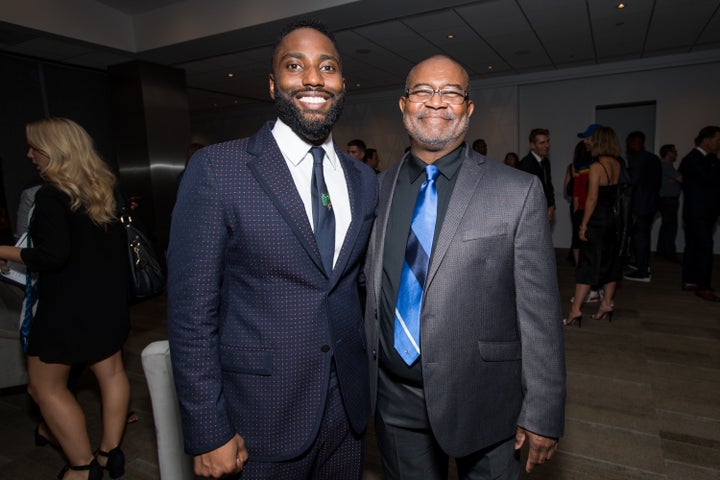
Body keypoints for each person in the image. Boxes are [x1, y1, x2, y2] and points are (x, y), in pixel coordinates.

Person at [167, 19, 378, 479]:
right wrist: (208, 428)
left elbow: (355, 282)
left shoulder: (362, 179)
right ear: (272, 84)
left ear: (342, 83)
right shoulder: (218, 169)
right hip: (258, 419)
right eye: (294, 65)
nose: (313, 78)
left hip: (348, 414)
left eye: (327, 67)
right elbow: (189, 313)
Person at [364, 54, 565, 480]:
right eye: (422, 91)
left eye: (451, 92)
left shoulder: (516, 190)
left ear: (468, 109)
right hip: (394, 400)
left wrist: (543, 410)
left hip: (487, 401)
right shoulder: (373, 190)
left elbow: (540, 313)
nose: (435, 102)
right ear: (403, 105)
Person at [0, 117, 130, 480]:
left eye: (34, 148)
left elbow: (51, 256)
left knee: (43, 388)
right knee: (113, 373)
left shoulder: (52, 196)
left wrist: (5, 251)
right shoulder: (104, 189)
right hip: (108, 304)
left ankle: (81, 466)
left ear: (54, 152)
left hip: (66, 310)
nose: (28, 155)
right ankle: (109, 453)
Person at [565, 126, 626, 327]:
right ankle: (607, 303)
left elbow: (592, 198)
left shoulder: (597, 166)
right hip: (614, 221)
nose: (586, 143)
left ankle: (575, 310)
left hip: (597, 220)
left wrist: (583, 225)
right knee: (611, 263)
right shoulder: (617, 164)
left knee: (586, 265)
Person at [678, 125, 720, 302]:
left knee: (694, 246)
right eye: (717, 140)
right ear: (706, 140)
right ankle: (703, 286)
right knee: (703, 247)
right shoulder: (692, 159)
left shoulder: (706, 159)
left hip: (702, 210)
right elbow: (709, 179)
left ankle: (690, 280)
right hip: (699, 211)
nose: (719, 144)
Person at [519, 128, 556, 221]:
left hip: (545, 210)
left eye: (547, 141)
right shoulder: (526, 164)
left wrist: (551, 205)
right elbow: (525, 193)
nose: (547, 145)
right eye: (542, 143)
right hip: (532, 213)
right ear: (532, 145)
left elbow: (548, 185)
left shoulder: (546, 162)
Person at [656, 144, 682, 261]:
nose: (676, 153)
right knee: (670, 227)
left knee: (666, 226)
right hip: (668, 200)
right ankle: (669, 254)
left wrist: (675, 180)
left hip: (666, 200)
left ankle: (662, 252)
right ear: (668, 152)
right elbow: (681, 179)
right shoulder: (666, 165)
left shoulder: (664, 165)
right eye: (674, 151)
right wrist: (676, 180)